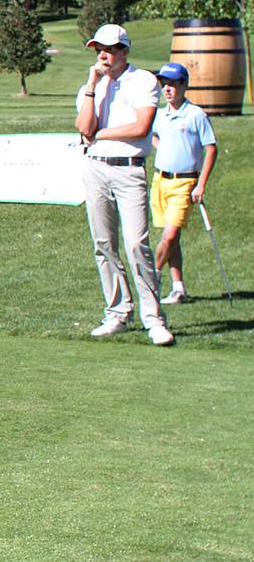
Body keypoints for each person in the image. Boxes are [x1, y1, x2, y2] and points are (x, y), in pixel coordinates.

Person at [75, 23, 172, 346]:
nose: (103, 54)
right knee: (103, 244)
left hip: (129, 170)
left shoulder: (142, 80)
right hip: (95, 168)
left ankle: (153, 318)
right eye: (98, 48)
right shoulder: (92, 86)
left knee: (135, 244)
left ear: (124, 51)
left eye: (109, 48)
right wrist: (92, 84)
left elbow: (142, 127)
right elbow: (83, 126)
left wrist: (99, 135)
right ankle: (117, 311)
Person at [150, 61, 218, 305]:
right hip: (160, 181)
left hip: (185, 183)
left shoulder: (195, 114)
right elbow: (154, 137)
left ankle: (151, 282)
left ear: (184, 84)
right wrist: (162, 150)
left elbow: (211, 149)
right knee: (173, 238)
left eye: (172, 84)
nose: (167, 89)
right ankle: (178, 288)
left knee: (168, 237)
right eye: (164, 84)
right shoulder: (160, 114)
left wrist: (201, 184)